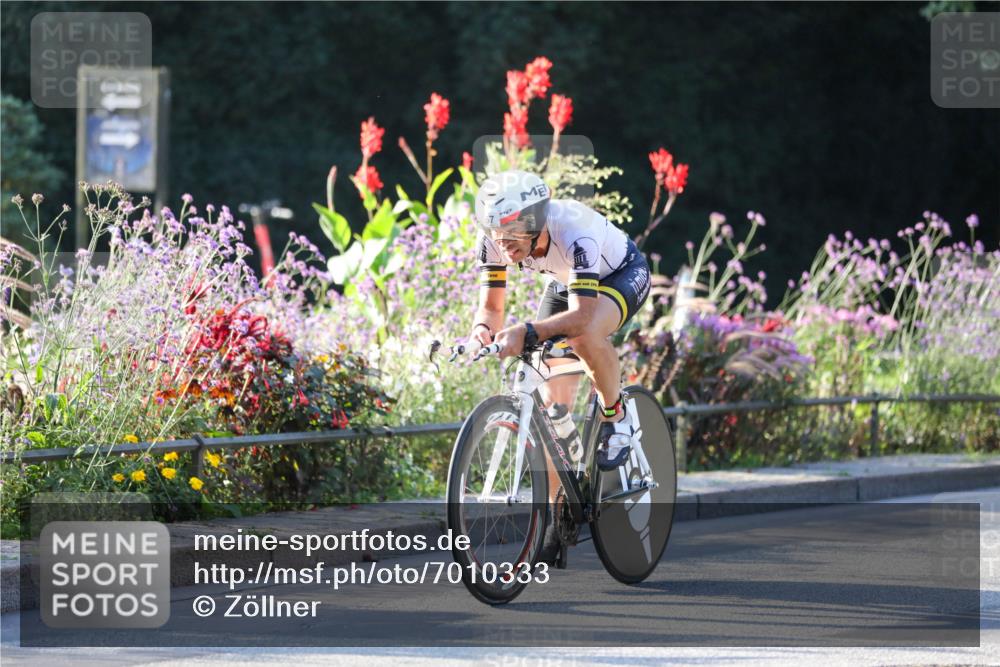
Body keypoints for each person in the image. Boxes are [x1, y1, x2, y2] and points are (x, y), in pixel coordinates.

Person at [466, 169, 651, 563]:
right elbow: (491, 308)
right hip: (568, 283)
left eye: (513, 231)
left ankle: (616, 416)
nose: (503, 242)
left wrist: (527, 331)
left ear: (535, 221)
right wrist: (481, 331)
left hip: (620, 275)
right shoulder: (495, 239)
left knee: (584, 337)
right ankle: (559, 511)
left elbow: (581, 317)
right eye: (495, 231)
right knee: (552, 409)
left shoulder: (574, 230)